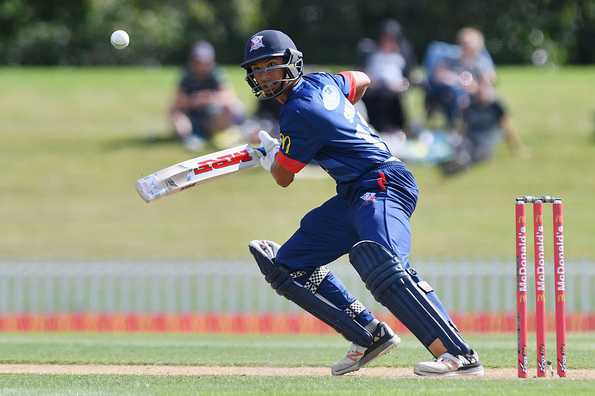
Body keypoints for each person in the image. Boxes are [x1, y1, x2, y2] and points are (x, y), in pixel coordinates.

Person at [241, 30, 484, 377]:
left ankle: (459, 355)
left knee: (383, 264)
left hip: (383, 182)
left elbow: (283, 177)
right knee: (288, 266)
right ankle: (368, 333)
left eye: (272, 66)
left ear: (292, 63)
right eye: (258, 69)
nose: (265, 76)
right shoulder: (324, 82)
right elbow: (361, 80)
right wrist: (348, 123)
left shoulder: (298, 111)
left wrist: (273, 157)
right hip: (353, 192)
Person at [169, 40, 244, 151]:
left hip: (212, 116)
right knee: (176, 115)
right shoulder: (186, 76)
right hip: (193, 117)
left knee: (234, 107)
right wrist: (195, 100)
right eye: (198, 61)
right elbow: (177, 103)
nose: (201, 66)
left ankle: (227, 133)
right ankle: (189, 138)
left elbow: (229, 96)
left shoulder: (216, 73)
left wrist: (209, 98)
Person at [438, 80, 525, 175]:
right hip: (472, 136)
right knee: (456, 144)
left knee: (480, 153)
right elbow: (463, 126)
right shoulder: (469, 105)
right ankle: (456, 162)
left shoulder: (496, 106)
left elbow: (506, 127)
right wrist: (458, 139)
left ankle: (462, 166)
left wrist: (516, 147)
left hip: (489, 135)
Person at [425, 27, 495, 127]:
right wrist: (454, 79)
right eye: (464, 44)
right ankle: (457, 126)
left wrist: (475, 86)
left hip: (476, 92)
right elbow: (438, 74)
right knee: (453, 94)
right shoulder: (451, 59)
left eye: (470, 45)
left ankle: (483, 125)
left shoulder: (482, 62)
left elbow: (490, 78)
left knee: (488, 95)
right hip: (453, 92)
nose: (466, 47)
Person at [360, 19, 413, 134]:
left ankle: (395, 127)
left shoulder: (401, 56)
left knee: (392, 98)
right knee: (376, 97)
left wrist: (400, 85)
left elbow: (407, 79)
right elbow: (363, 73)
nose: (387, 42)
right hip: (374, 89)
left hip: (394, 91)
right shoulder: (371, 53)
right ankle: (375, 127)